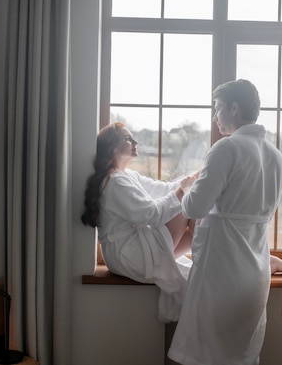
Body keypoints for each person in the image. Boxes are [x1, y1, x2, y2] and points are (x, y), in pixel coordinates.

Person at [168, 79, 282, 365]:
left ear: (234, 108)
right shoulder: (276, 156)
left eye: (218, 108)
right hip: (254, 272)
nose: (215, 117)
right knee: (239, 356)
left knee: (201, 356)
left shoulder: (226, 148)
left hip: (220, 271)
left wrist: (187, 190)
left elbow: (196, 206)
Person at [81, 122, 198, 322]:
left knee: (191, 206)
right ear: (113, 148)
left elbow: (160, 189)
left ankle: (207, 261)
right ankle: (207, 264)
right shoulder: (116, 182)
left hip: (132, 253)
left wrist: (191, 180)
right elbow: (152, 214)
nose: (135, 142)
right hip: (130, 257)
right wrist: (184, 190)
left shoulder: (126, 176)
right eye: (128, 139)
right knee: (189, 203)